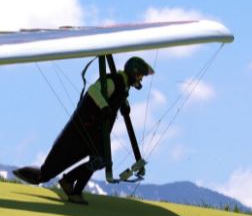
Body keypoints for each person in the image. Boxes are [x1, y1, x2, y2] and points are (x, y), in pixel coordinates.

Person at [13, 57, 155, 204]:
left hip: (96, 129)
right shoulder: (114, 81)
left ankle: (69, 183)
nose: (141, 79)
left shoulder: (123, 85)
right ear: (133, 73)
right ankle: (70, 185)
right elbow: (93, 91)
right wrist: (104, 106)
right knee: (99, 160)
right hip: (86, 126)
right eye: (140, 75)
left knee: (99, 160)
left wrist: (123, 104)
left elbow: (117, 95)